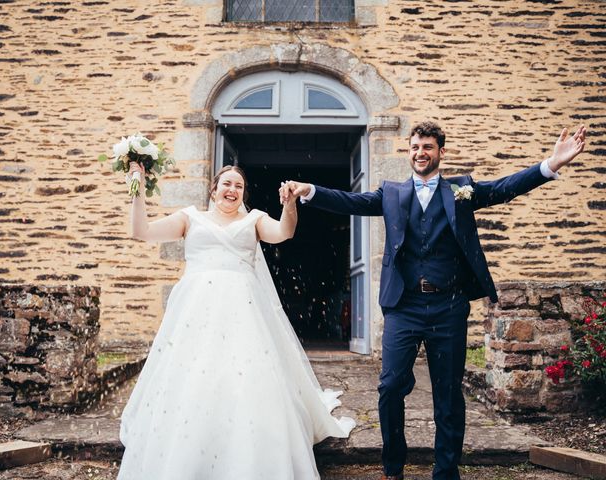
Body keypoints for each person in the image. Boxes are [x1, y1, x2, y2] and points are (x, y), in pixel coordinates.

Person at [280, 121, 586, 480]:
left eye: (427, 147)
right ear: (408, 152)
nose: (420, 153)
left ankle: (445, 471)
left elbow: (504, 188)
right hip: (403, 306)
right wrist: (310, 190)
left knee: (448, 392)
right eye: (414, 147)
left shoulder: (461, 190)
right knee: (391, 385)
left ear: (441, 152)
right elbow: (352, 201)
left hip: (449, 306)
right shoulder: (391, 193)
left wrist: (552, 164)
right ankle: (393, 467)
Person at [117, 164, 355, 480]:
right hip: (195, 311)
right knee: (192, 375)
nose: (232, 190)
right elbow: (141, 231)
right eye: (227, 183)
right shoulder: (190, 218)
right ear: (213, 190)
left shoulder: (254, 220)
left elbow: (284, 232)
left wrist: (289, 205)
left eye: (239, 186)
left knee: (245, 375)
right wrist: (137, 187)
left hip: (244, 309)